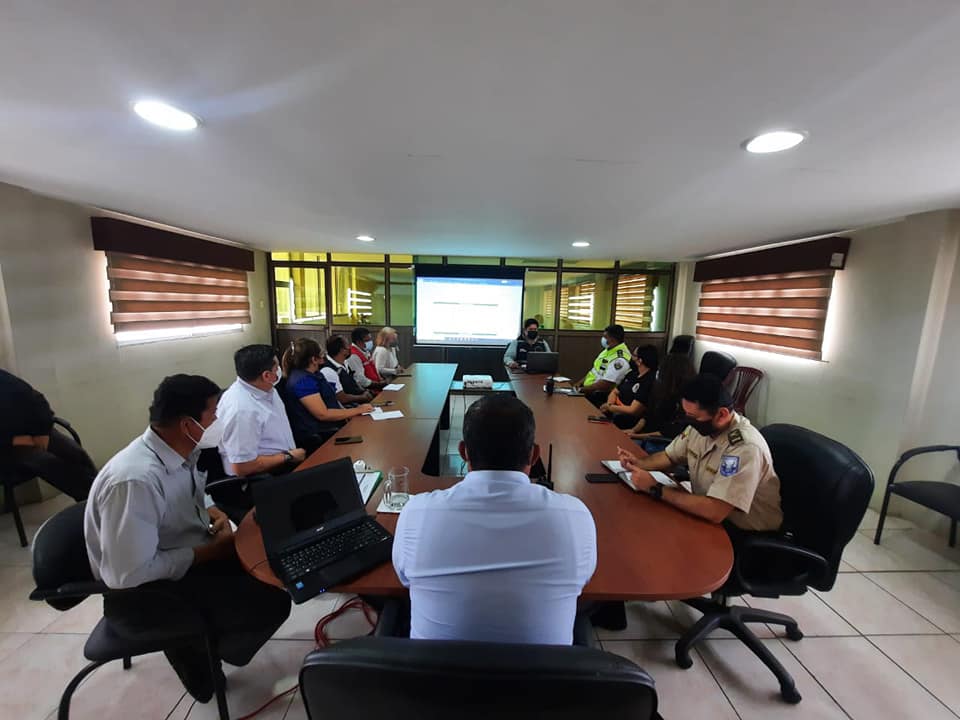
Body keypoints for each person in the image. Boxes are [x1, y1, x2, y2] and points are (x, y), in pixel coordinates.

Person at [84, 374, 291, 703]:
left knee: (273, 566)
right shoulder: (134, 480)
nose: (219, 420)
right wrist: (210, 553)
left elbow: (189, 494)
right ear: (187, 424)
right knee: (269, 603)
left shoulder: (177, 450)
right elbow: (128, 575)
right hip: (144, 594)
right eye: (213, 414)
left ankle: (203, 639)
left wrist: (213, 512)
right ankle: (195, 651)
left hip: (180, 553)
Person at [393, 395, 597, 645]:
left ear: (463, 452)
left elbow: (404, 579)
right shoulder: (575, 516)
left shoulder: (416, 513)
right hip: (544, 671)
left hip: (436, 670)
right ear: (534, 455)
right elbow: (583, 580)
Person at [616, 374, 783, 532]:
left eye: (693, 417)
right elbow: (669, 456)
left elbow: (715, 510)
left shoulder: (744, 448)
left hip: (740, 531)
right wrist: (638, 463)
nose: (690, 422)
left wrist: (656, 488)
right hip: (706, 515)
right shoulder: (703, 427)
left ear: (722, 414)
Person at [0, 368, 97, 500]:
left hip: (34, 433)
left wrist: (42, 433)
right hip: (6, 449)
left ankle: (103, 490)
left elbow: (37, 400)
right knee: (46, 462)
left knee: (74, 451)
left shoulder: (4, 378)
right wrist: (17, 440)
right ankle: (89, 501)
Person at [217, 344, 305, 476]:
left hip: (288, 462)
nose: (280, 370)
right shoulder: (241, 410)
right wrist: (287, 456)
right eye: (277, 368)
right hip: (264, 476)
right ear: (267, 375)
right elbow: (242, 467)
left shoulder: (266, 388)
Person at [281, 338, 374, 452]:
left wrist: (349, 412)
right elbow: (323, 414)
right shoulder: (302, 381)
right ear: (314, 359)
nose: (324, 356)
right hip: (320, 435)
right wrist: (357, 410)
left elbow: (332, 400)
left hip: (333, 426)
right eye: (321, 354)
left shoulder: (315, 374)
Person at [626, 352, 696, 444]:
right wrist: (633, 430)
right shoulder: (660, 391)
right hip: (644, 435)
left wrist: (634, 436)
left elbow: (667, 433)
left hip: (659, 442)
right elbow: (647, 416)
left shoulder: (685, 402)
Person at [571, 324, 632, 407]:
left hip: (600, 396)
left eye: (605, 337)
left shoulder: (620, 359)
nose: (603, 339)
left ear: (612, 339)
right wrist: (579, 384)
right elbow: (594, 371)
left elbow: (606, 384)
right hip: (589, 390)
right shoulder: (608, 350)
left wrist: (582, 389)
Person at [600, 345, 658, 430]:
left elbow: (633, 410)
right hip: (614, 412)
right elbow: (615, 391)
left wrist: (610, 407)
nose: (631, 357)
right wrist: (610, 406)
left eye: (634, 355)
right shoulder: (632, 374)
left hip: (628, 421)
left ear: (640, 360)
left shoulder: (649, 380)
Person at [323, 335, 374, 406]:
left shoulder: (345, 362)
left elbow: (352, 381)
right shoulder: (328, 370)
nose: (350, 348)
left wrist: (364, 391)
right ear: (342, 350)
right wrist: (362, 397)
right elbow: (341, 398)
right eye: (348, 346)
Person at [344, 327, 384, 391]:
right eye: (367, 340)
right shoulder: (353, 355)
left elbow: (372, 368)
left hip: (377, 386)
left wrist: (380, 379)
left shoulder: (365, 351)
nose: (370, 342)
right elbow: (360, 379)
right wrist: (378, 385)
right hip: (369, 390)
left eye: (370, 340)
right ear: (358, 341)